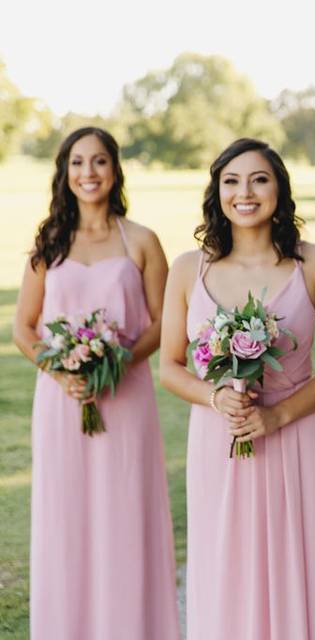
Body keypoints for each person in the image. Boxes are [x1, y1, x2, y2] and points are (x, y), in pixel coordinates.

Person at [158, 138, 315, 639]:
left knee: (300, 562)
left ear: (279, 190)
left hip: (298, 434)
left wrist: (278, 416)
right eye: (231, 181)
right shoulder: (187, 268)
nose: (244, 192)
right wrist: (214, 396)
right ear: (217, 191)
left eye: (259, 179)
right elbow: (170, 367)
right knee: (226, 564)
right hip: (219, 437)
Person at [12, 127, 179, 639]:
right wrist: (62, 371)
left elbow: (164, 323)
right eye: (78, 163)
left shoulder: (142, 240)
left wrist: (120, 358)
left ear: (115, 169)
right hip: (62, 403)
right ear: (64, 172)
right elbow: (24, 327)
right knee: (68, 522)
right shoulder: (48, 243)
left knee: (125, 515)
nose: (89, 173)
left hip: (126, 399)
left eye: (99, 161)